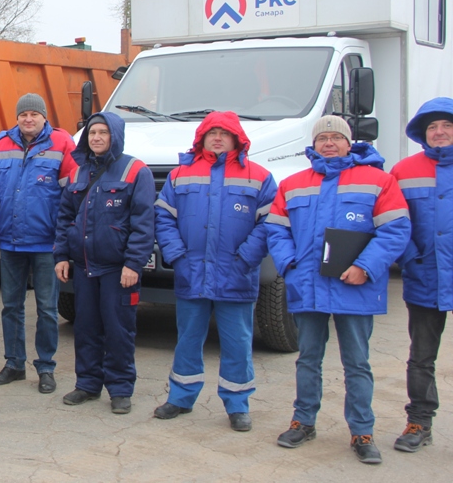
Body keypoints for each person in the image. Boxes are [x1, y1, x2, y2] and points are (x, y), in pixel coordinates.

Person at [266, 115, 410, 465]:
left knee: (357, 363)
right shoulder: (294, 183)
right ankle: (303, 421)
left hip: (355, 288)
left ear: (349, 143)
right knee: (308, 359)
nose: (328, 143)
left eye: (336, 137)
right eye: (322, 138)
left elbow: (396, 230)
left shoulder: (378, 181)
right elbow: (276, 229)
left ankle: (362, 431)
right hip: (309, 287)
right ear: (313, 145)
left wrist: (365, 267)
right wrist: (291, 266)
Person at [152, 112, 276, 430]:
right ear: (201, 138)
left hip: (237, 274)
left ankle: (237, 404)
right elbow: (163, 217)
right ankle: (180, 397)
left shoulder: (259, 176)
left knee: (237, 343)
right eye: (211, 132)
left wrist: (246, 258)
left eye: (224, 133)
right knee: (188, 339)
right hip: (191, 272)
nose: (217, 137)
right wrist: (178, 256)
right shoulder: (181, 174)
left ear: (237, 138)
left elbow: (269, 223)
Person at [54, 111, 155, 415]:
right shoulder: (76, 173)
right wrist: (61, 255)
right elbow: (64, 218)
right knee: (86, 328)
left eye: (103, 132)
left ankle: (121, 389)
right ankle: (87, 384)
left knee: (118, 330)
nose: (96, 137)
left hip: (118, 270)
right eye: (91, 132)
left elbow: (144, 223)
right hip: (84, 267)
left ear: (115, 136)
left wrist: (133, 264)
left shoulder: (136, 171)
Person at [0, 93, 78, 394]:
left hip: (47, 246)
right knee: (11, 306)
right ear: (17, 117)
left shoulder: (62, 145)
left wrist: (63, 243)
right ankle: (14, 364)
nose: (28, 119)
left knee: (47, 309)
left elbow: (71, 198)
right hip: (10, 244)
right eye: (23, 114)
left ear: (44, 117)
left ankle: (46, 367)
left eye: (34, 114)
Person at [390, 97, 453, 452]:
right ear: (422, 133)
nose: (439, 132)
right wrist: (410, 259)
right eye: (432, 127)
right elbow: (394, 223)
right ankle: (419, 422)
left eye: (446, 125)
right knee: (421, 357)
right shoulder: (404, 171)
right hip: (424, 276)